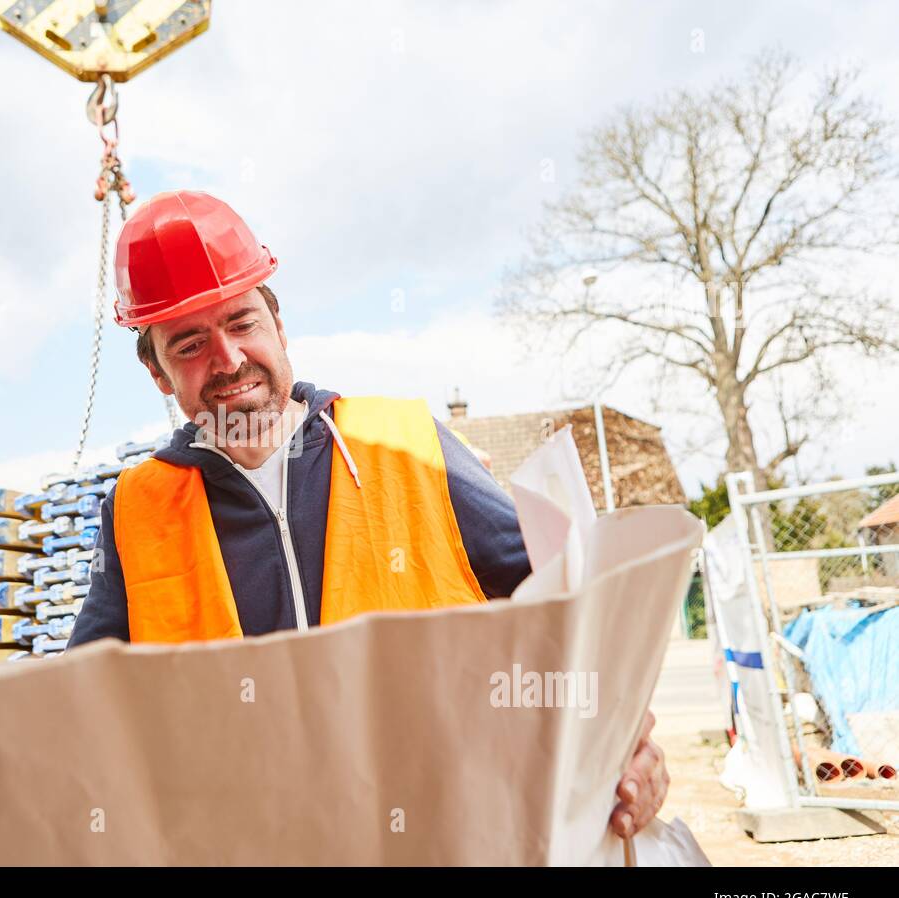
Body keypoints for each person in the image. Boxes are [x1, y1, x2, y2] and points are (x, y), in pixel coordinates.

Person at [68, 190, 667, 839]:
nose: (229, 358)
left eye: (241, 323)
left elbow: (568, 615)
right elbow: (79, 714)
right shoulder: (138, 512)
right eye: (189, 344)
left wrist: (626, 736)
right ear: (159, 374)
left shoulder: (406, 444)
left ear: (278, 325)